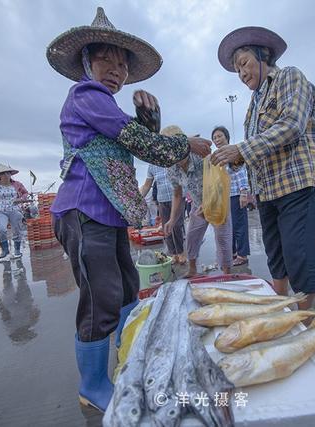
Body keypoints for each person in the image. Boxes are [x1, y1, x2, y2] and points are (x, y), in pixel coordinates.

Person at [46, 7, 211, 412]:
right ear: (86, 61)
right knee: (98, 300)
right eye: (106, 59)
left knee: (124, 288)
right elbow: (142, 144)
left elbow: (134, 141)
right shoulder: (86, 95)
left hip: (109, 214)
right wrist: (183, 142)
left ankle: (128, 354)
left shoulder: (109, 106)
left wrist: (149, 122)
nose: (116, 70)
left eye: (122, 64)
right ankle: (92, 384)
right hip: (84, 212)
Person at [212, 26, 315, 309]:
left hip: (297, 183)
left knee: (297, 254)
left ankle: (303, 319)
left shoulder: (289, 77)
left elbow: (291, 126)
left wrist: (241, 149)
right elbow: (257, 149)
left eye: (244, 64)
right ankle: (280, 310)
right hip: (267, 192)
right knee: (276, 255)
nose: (242, 74)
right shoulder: (253, 104)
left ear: (263, 56)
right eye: (237, 70)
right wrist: (234, 158)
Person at [162, 125, 233, 277]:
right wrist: (172, 220)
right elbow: (177, 194)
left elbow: (219, 182)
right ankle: (193, 270)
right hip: (196, 204)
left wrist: (208, 204)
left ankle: (227, 274)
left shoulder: (201, 156)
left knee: (223, 239)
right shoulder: (171, 168)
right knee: (192, 237)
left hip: (217, 203)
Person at [211, 125, 251, 266]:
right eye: (215, 137)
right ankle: (232, 252)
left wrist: (243, 192)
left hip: (235, 194)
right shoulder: (216, 157)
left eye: (220, 136)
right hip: (224, 198)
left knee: (239, 225)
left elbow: (240, 173)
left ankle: (242, 254)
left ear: (226, 137)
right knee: (228, 227)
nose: (217, 139)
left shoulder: (233, 153)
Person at [139, 164, 187, 264]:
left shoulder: (173, 160)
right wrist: (138, 200)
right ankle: (173, 253)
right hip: (162, 200)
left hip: (178, 197)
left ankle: (181, 252)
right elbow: (147, 185)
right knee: (166, 228)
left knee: (177, 226)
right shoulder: (152, 166)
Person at [0, 164, 29, 260]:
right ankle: (5, 250)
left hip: (14, 209)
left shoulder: (17, 184)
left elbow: (25, 193)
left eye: (8, 173)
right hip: (0, 210)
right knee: (1, 229)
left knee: (17, 229)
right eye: (3, 173)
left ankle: (17, 249)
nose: (6, 175)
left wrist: (21, 198)